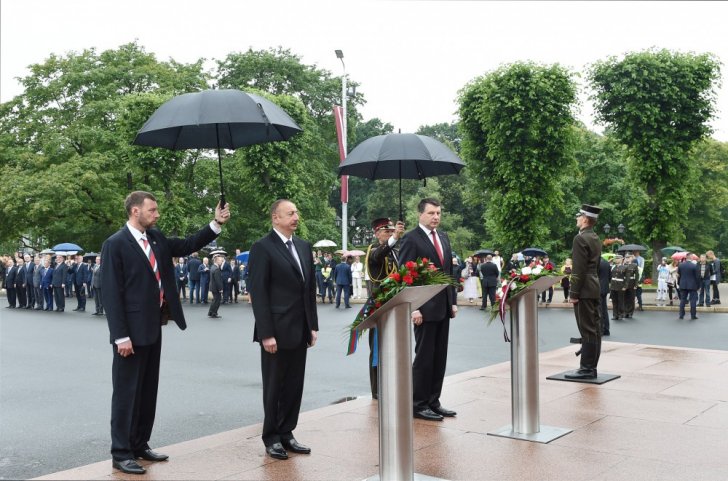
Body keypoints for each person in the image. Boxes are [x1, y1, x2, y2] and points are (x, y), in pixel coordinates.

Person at [101, 191, 229, 475]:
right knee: (126, 393)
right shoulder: (115, 244)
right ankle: (121, 453)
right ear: (135, 211)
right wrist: (120, 336)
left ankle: (139, 443)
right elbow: (111, 293)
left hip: (153, 328)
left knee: (147, 390)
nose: (157, 214)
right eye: (153, 210)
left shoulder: (156, 238)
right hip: (129, 335)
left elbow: (187, 244)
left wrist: (216, 223)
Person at [248, 199, 318, 461]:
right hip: (275, 330)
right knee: (274, 386)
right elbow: (259, 293)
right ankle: (272, 437)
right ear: (275, 218)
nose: (295, 217)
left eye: (297, 212)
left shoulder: (302, 246)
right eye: (290, 213)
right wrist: (266, 333)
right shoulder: (262, 248)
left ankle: (287, 432)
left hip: (300, 329)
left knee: (294, 384)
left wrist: (312, 325)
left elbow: (308, 290)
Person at [398, 198, 458, 420]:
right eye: (431, 213)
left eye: (439, 213)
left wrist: (452, 301)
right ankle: (418, 403)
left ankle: (434, 401)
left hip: (443, 307)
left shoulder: (443, 237)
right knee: (423, 358)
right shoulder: (411, 239)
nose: (436, 217)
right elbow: (405, 276)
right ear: (420, 215)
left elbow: (449, 271)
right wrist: (413, 308)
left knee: (439, 356)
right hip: (423, 310)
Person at [365, 217, 404, 399]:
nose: (390, 233)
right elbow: (379, 255)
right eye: (386, 231)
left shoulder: (395, 251)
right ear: (377, 233)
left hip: (395, 305)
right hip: (379, 307)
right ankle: (377, 389)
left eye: (391, 231)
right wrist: (395, 237)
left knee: (394, 347)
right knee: (378, 350)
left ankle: (392, 383)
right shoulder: (373, 251)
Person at [565, 204, 603, 380]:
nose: (577, 218)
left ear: (585, 219)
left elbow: (579, 269)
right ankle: (591, 367)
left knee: (587, 329)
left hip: (584, 290)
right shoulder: (594, 237)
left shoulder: (579, 238)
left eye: (579, 216)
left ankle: (587, 368)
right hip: (593, 286)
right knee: (594, 329)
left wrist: (573, 293)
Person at [677, 254, 701, 320]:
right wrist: (698, 286)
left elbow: (679, 275)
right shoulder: (695, 266)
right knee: (693, 300)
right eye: (692, 257)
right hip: (693, 285)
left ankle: (681, 315)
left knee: (682, 300)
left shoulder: (681, 265)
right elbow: (697, 277)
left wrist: (679, 283)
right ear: (690, 257)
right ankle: (693, 315)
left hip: (683, 285)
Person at [609, 255, 626, 321]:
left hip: (620, 286)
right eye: (616, 258)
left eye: (618, 258)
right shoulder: (613, 267)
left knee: (620, 301)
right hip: (613, 286)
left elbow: (626, 278)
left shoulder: (624, 267)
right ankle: (615, 315)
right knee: (614, 301)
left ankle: (620, 314)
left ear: (622, 259)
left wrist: (625, 286)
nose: (616, 259)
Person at [598, 256, 611, 336]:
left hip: (597, 288)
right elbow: (610, 276)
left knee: (599, 310)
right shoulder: (606, 262)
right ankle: (606, 329)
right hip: (605, 288)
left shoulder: (595, 262)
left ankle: (601, 329)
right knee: (604, 309)